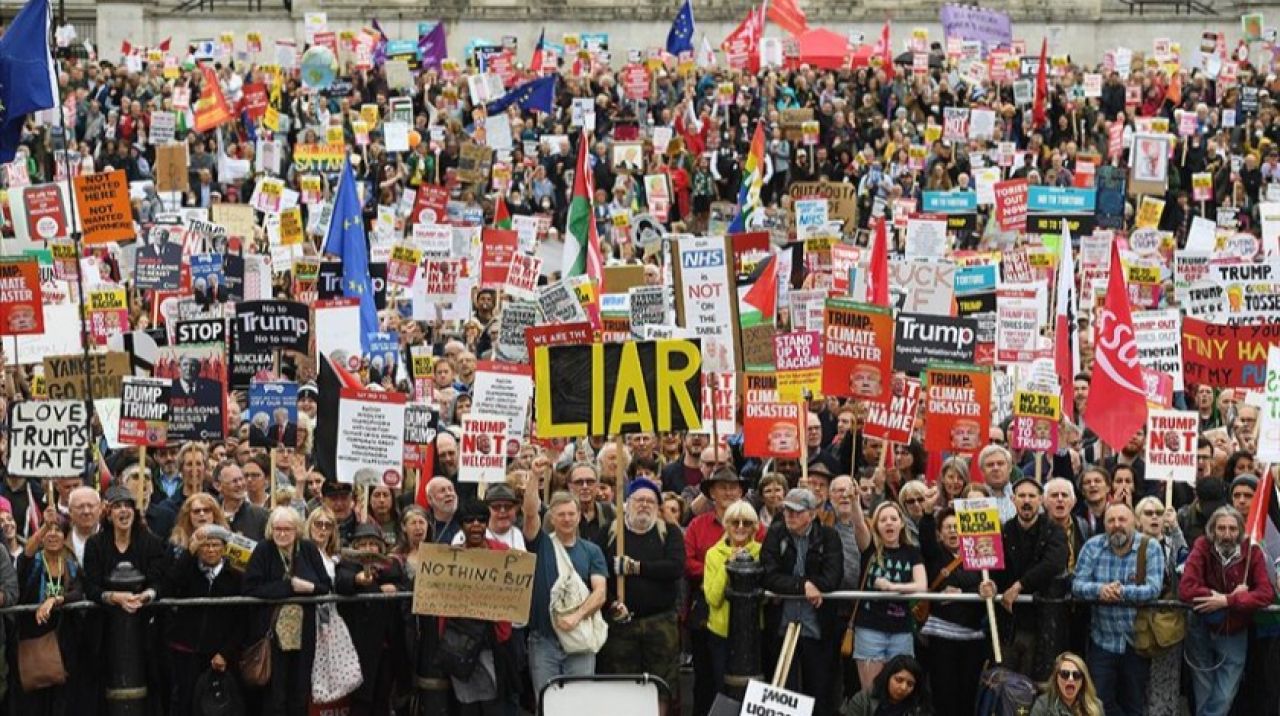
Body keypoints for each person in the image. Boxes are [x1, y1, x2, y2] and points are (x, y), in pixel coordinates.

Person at [594, 478, 685, 715]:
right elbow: (597, 573)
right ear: (627, 503)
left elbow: (675, 568)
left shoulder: (669, 532)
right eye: (639, 500)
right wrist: (612, 603)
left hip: (660, 622)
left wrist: (638, 568)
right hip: (622, 623)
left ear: (658, 506)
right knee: (622, 683)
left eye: (650, 501)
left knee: (661, 684)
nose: (644, 505)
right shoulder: (611, 533)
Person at [1178, 505, 1275, 716]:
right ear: (1212, 530)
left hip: (1234, 629)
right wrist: (1221, 595)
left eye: (1232, 529)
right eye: (1221, 528)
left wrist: (1228, 600)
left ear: (1240, 530)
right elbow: (1186, 589)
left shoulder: (1252, 550)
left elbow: (1265, 593)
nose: (1227, 534)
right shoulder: (1202, 545)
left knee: (1224, 694)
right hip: (1201, 626)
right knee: (1203, 691)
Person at [1071, 503, 1164, 716]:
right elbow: (1077, 585)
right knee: (1096, 704)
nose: (1117, 525)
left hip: (1136, 641)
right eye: (1111, 521)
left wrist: (1120, 592)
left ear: (1134, 522)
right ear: (1104, 524)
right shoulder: (1092, 546)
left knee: (1134, 703)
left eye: (1122, 520)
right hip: (1103, 640)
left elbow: (1153, 589)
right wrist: (1100, 590)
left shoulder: (1150, 547)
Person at [760, 488, 844, 715]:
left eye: (797, 511)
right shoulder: (775, 534)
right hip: (781, 622)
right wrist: (803, 586)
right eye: (787, 510)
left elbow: (832, 577)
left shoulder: (829, 536)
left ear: (812, 514)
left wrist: (804, 584)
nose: (790, 515)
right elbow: (768, 575)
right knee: (780, 688)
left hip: (816, 625)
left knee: (818, 688)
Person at [520, 482, 607, 700]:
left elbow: (600, 593)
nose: (567, 519)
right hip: (543, 640)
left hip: (579, 637)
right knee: (547, 702)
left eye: (571, 514)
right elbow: (530, 513)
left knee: (579, 702)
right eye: (561, 514)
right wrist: (534, 476)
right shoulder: (540, 544)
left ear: (579, 516)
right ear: (551, 517)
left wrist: (576, 617)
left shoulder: (592, 551)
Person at [243, 507, 333, 716]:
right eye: (277, 529)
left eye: (287, 529)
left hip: (304, 633)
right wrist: (288, 587)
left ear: (297, 530)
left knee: (300, 691)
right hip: (272, 634)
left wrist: (310, 588)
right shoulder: (264, 550)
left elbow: (325, 585)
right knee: (275, 696)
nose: (282, 534)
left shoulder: (308, 549)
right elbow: (250, 587)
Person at [981, 476, 1068, 680]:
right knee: (1006, 685)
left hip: (1042, 623)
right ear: (1013, 499)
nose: (1026, 501)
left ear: (1041, 500)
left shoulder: (1054, 531)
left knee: (1036, 684)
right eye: (1021, 496)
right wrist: (990, 584)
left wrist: (1020, 585)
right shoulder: (1003, 531)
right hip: (1008, 626)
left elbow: (1053, 564)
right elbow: (993, 568)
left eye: (1031, 496)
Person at [163, 524, 243, 716]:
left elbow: (241, 620)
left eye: (216, 545)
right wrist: (188, 553)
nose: (211, 549)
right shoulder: (188, 570)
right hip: (186, 651)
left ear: (224, 548)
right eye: (205, 545)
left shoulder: (235, 577)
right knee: (184, 703)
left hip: (220, 654)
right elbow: (169, 585)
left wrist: (225, 653)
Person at [918, 509, 988, 714]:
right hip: (942, 636)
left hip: (973, 636)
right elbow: (925, 539)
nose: (953, 531)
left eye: (957, 527)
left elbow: (988, 584)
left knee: (968, 694)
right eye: (948, 527)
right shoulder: (935, 554)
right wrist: (929, 515)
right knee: (944, 693)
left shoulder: (979, 553)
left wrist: (963, 592)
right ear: (940, 533)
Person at [852, 502, 926, 691]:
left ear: (902, 524)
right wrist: (855, 500)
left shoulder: (912, 552)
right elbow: (859, 523)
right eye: (883, 520)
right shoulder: (869, 548)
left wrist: (892, 587)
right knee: (871, 692)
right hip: (869, 628)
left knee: (900, 691)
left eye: (893, 519)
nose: (889, 523)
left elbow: (921, 586)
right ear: (876, 525)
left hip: (902, 630)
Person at [336, 523, 408, 716]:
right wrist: (359, 580)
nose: (368, 549)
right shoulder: (348, 566)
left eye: (373, 544)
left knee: (382, 699)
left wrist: (395, 589)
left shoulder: (391, 567)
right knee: (362, 702)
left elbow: (405, 586)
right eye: (364, 544)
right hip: (361, 647)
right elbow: (343, 581)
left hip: (387, 646)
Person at [12, 511, 77, 716]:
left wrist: (56, 600)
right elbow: (24, 558)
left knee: (60, 703)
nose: (53, 534)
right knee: (33, 704)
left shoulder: (71, 565)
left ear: (65, 536)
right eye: (49, 529)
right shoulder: (35, 562)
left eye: (58, 530)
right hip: (32, 641)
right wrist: (43, 527)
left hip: (61, 642)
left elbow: (79, 592)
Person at [703, 500, 762, 696]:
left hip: (754, 634)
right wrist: (728, 564)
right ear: (726, 525)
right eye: (735, 522)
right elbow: (713, 598)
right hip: (721, 634)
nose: (740, 527)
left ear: (754, 526)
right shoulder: (713, 554)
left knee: (752, 690)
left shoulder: (761, 552)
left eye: (746, 523)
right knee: (723, 689)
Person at [839, 654, 933, 716]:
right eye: (899, 680)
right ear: (887, 677)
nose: (903, 687)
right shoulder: (863, 701)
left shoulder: (918, 709)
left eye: (910, 684)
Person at [1029, 652, 1104, 716]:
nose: (1070, 679)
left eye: (1076, 675)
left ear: (1083, 681)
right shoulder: (1043, 705)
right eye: (1065, 674)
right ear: (1056, 678)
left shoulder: (1096, 706)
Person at [215, 460, 269, 541]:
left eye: (241, 479)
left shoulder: (261, 516)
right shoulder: (211, 513)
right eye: (234, 481)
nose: (240, 484)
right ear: (218, 485)